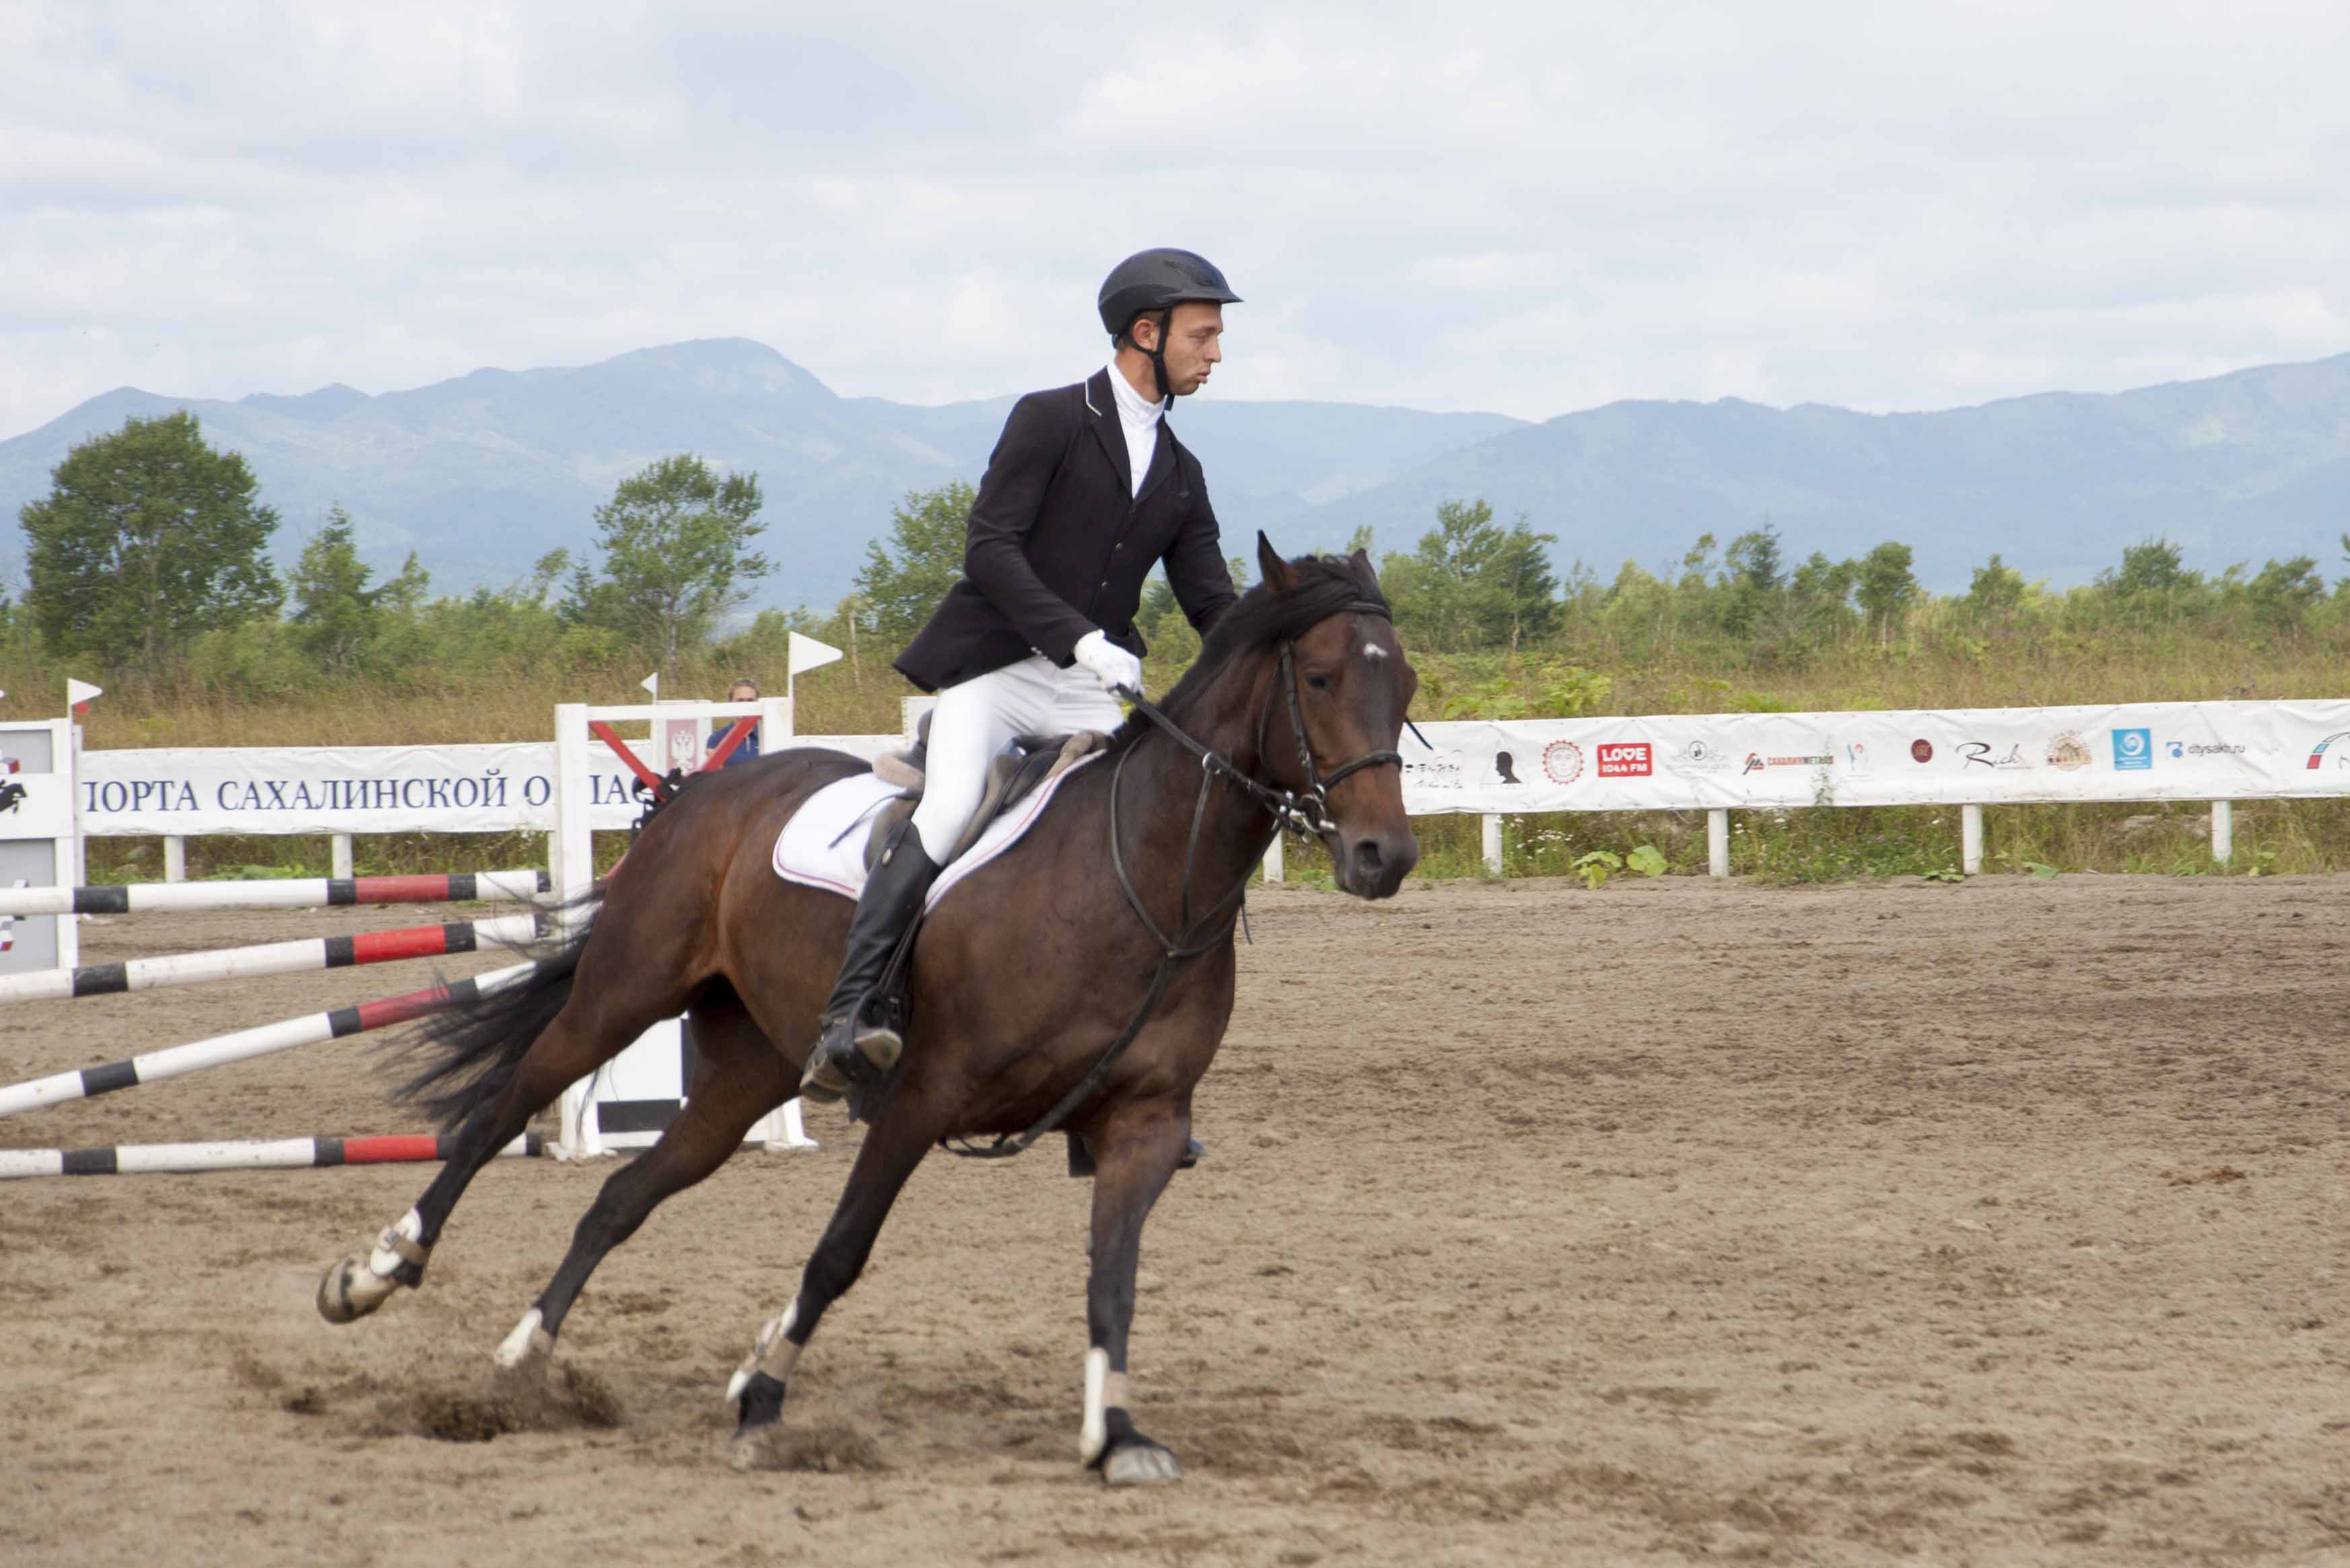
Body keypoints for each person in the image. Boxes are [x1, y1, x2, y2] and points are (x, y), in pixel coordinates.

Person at [800, 247, 1244, 1103]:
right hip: (1000, 665)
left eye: (1216, 337)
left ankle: (1115, 1058)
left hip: (1090, 685)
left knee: (1138, 831)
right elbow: (989, 549)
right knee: (951, 806)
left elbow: (1210, 603)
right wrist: (1077, 636)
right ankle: (849, 1013)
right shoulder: (1049, 419)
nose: (1214, 353)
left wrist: (1282, 643)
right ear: (1144, 334)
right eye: (1203, 334)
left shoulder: (1182, 474)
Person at [709, 678, 762, 767]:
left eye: (750, 701)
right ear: (730, 703)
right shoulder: (717, 739)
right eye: (740, 701)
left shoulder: (768, 736)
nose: (745, 705)